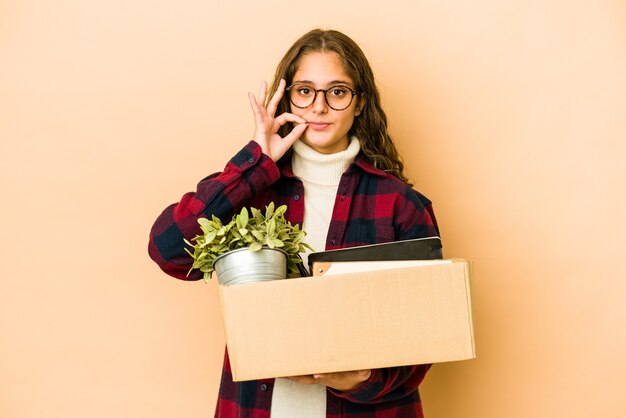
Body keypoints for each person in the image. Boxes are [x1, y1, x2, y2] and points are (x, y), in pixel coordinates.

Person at [148, 28, 440, 418]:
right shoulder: (254, 189)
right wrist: (255, 161)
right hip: (258, 405)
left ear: (359, 103)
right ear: (286, 99)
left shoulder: (400, 205)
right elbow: (167, 251)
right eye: (305, 91)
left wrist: (364, 377)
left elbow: (428, 332)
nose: (318, 107)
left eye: (337, 92)